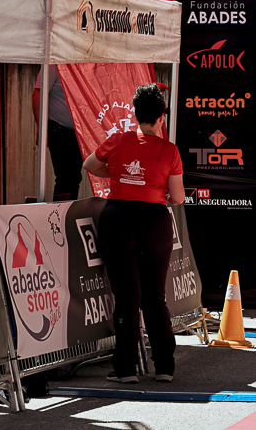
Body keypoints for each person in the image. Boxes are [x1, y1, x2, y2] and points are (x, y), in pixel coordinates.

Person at [83, 84, 183, 383]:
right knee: (155, 297)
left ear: (136, 115)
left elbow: (89, 165)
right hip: (154, 221)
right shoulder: (170, 150)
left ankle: (126, 369)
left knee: (126, 297)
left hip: (118, 218)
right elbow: (177, 197)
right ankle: (164, 366)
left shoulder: (117, 140)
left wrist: (119, 175)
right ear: (162, 117)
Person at [32, 68, 83, 200]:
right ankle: (61, 211)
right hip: (59, 128)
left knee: (74, 177)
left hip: (80, 132)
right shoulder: (54, 65)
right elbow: (37, 94)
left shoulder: (85, 64)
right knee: (66, 177)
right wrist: (41, 129)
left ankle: (68, 209)